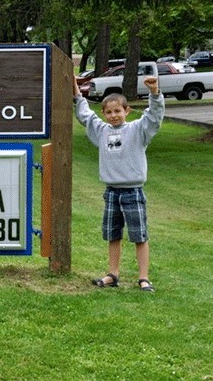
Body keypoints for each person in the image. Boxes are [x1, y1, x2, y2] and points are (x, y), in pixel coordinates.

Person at [73, 77, 164, 292]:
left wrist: (154, 93)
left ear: (127, 110)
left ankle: (143, 277)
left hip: (133, 191)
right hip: (111, 192)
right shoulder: (102, 131)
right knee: (113, 234)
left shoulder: (138, 130)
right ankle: (113, 274)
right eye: (109, 112)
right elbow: (86, 116)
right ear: (104, 113)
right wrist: (77, 94)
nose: (114, 116)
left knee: (139, 235)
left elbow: (154, 118)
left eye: (117, 111)